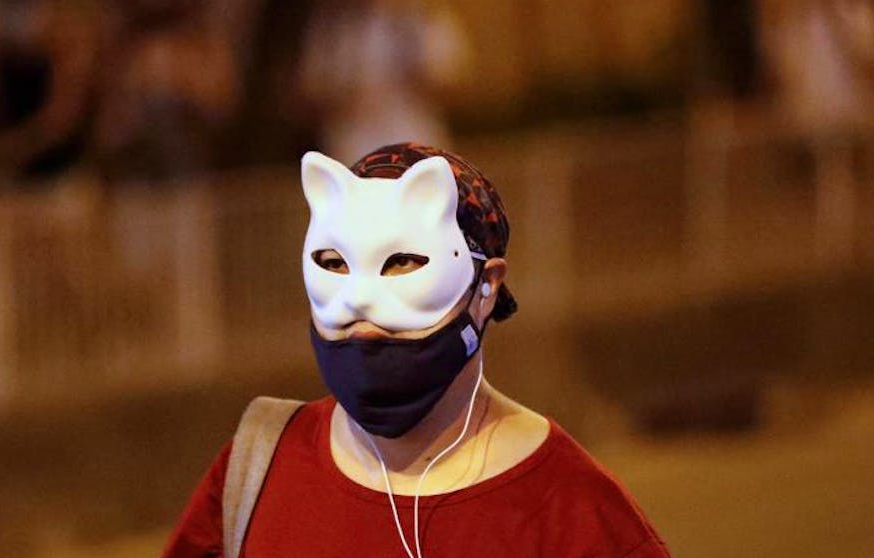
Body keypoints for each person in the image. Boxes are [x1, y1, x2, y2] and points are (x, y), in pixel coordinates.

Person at [162, 143, 670, 558]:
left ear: (486, 288)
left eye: (402, 263)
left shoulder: (575, 513)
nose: (361, 301)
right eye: (333, 262)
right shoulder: (257, 470)